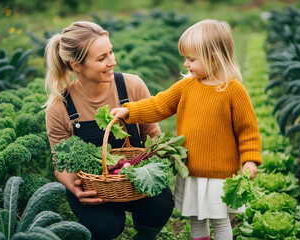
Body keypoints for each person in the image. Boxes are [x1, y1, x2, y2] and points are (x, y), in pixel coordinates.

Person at [111, 19, 262, 240]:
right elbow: (159, 105)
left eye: (191, 59)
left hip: (221, 175)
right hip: (191, 171)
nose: (186, 64)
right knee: (196, 219)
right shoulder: (186, 86)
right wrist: (129, 111)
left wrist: (250, 159)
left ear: (213, 58)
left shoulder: (233, 91)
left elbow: (247, 129)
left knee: (220, 220)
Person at [44, 21, 174, 240]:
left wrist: (150, 166)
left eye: (111, 52)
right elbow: (61, 161)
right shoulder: (60, 108)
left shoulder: (132, 86)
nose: (112, 61)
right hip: (93, 187)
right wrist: (75, 188)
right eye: (102, 58)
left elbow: (152, 134)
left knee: (160, 203)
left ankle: (145, 236)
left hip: (134, 179)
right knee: (105, 226)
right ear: (77, 65)